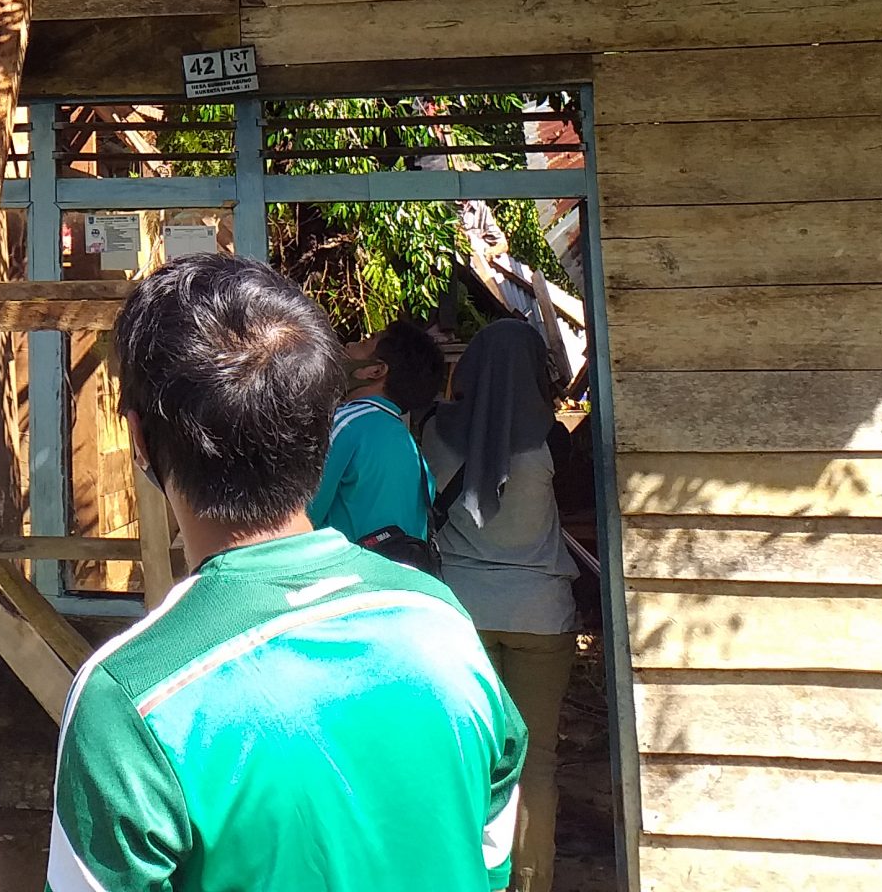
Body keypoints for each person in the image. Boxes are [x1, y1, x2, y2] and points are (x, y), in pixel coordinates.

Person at [48, 255, 525, 892]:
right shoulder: (441, 622)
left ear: (136, 437)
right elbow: (490, 848)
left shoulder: (132, 697)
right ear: (319, 432)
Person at [419, 319, 579, 892]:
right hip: (541, 615)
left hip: (462, 618)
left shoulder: (434, 431)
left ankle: (464, 877)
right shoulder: (555, 442)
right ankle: (531, 882)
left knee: (468, 759)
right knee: (535, 762)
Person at [308, 320, 445, 557]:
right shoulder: (412, 448)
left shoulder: (345, 422)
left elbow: (296, 516)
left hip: (342, 584)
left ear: (375, 370)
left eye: (363, 343)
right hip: (399, 585)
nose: (349, 345)